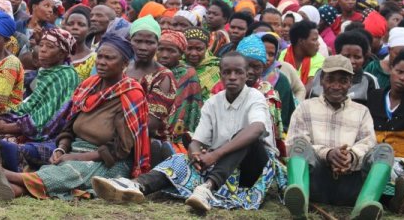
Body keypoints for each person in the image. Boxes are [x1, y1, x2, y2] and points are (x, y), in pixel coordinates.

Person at [93, 50, 280, 213]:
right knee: (180, 160)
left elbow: (257, 129)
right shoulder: (213, 102)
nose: (232, 77)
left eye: (238, 72)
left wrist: (215, 154)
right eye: (227, 72)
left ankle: (207, 189)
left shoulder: (255, 97)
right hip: (222, 168)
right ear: (220, 75)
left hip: (253, 168)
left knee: (245, 136)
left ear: (247, 75)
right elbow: (197, 141)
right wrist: (195, 154)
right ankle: (136, 185)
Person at [0, 34, 149, 201]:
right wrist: (62, 148)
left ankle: (6, 175)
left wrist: (75, 157)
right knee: (56, 165)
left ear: (124, 64)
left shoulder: (130, 94)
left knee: (68, 172)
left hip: (107, 161)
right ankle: (14, 189)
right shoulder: (88, 86)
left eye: (109, 58)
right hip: (74, 149)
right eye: (100, 57)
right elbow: (69, 126)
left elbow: (120, 149)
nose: (102, 62)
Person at [284, 55, 395, 220]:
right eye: (330, 80)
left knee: (385, 150)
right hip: (316, 183)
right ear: (321, 80)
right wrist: (328, 154)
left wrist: (350, 156)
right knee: (299, 144)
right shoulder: (305, 107)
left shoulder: (362, 111)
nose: (336, 86)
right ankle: (300, 207)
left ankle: (364, 206)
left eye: (343, 81)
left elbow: (368, 143)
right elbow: (294, 142)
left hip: (351, 186)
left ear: (351, 83)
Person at [0, 27, 80, 172]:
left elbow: (46, 120)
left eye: (50, 47)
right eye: (42, 45)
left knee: (18, 146)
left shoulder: (66, 76)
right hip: (28, 130)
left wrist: (4, 127)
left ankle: (11, 159)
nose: (43, 50)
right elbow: (28, 107)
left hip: (54, 137)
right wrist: (1, 121)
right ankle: (5, 157)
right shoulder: (44, 73)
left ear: (63, 53)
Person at [127, 16, 176, 148]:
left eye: (149, 42)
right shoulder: (123, 67)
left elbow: (151, 123)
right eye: (138, 41)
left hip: (149, 139)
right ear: (130, 41)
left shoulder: (163, 76)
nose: (143, 47)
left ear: (157, 44)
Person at [155, 29, 202, 150]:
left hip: (178, 136)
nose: (165, 55)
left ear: (181, 54)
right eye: (161, 49)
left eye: (171, 51)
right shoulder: (150, 70)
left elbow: (192, 107)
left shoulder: (188, 74)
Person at [309, 31, 379, 104]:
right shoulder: (322, 73)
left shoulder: (369, 80)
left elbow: (374, 108)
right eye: (346, 56)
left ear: (364, 58)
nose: (351, 61)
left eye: (357, 57)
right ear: (337, 54)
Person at [279, 20, 323, 91]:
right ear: (301, 41)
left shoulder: (319, 59)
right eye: (314, 40)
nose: (318, 44)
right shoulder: (283, 54)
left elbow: (310, 87)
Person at [184, 27, 220, 100]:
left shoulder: (216, 68)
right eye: (189, 48)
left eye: (199, 49)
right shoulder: (176, 66)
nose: (193, 53)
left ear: (207, 48)